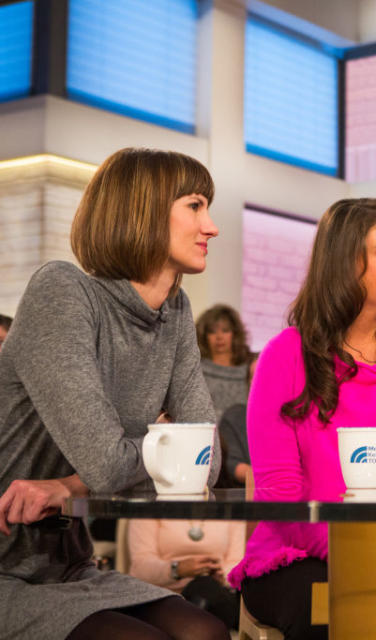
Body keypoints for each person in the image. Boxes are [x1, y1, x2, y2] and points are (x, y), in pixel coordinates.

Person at [0, 148, 227, 640]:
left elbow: (204, 468)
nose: (211, 227)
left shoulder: (176, 310)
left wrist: (71, 484)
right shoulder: (62, 291)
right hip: (6, 567)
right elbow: (109, 464)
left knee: (206, 633)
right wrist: (161, 443)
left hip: (68, 565)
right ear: (142, 211)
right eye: (195, 206)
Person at [227, 198, 376, 639]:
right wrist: (356, 552)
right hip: (296, 554)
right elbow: (279, 494)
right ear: (343, 261)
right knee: (332, 599)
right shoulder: (286, 354)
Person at [127, 518, 245, 631]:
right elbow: (140, 568)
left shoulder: (231, 508)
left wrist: (221, 574)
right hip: (163, 596)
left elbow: (236, 564)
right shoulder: (150, 505)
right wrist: (177, 569)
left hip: (216, 593)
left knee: (206, 586)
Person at [196, 304, 254, 421]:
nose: (219, 337)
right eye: (212, 332)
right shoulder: (196, 369)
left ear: (235, 334)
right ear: (204, 336)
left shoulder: (250, 370)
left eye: (225, 330)